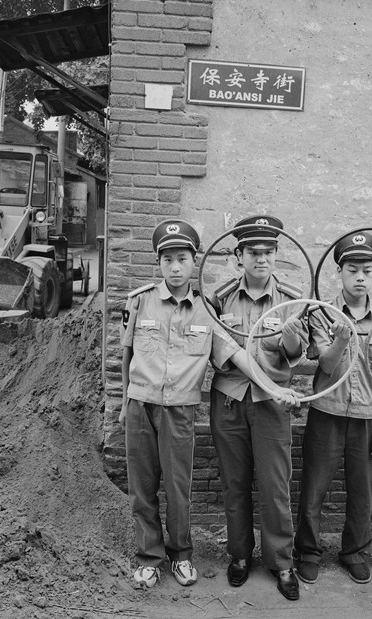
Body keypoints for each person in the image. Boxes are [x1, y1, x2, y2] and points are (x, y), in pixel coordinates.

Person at [118, 218, 302, 592]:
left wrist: (275, 388)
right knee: (142, 489)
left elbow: (237, 356)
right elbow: (125, 354)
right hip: (140, 405)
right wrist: (124, 402)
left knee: (178, 488)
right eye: (167, 259)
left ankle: (181, 555)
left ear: (194, 262)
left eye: (182, 258)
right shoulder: (139, 301)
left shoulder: (207, 309)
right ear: (158, 262)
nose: (174, 267)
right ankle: (149, 559)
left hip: (181, 409)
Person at [206, 215, 308, 601]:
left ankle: (282, 563)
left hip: (272, 406)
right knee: (234, 485)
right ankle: (238, 557)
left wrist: (291, 338)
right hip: (230, 400)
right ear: (239, 256)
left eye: (268, 252)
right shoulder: (218, 298)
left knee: (275, 486)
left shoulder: (293, 299)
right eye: (253, 252)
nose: (261, 259)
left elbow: (296, 355)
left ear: (277, 255)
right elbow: (220, 354)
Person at [293, 231, 372, 585]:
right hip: (327, 413)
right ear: (338, 271)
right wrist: (341, 338)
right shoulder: (322, 314)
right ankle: (308, 552)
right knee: (314, 488)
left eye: (367, 270)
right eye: (352, 269)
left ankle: (354, 551)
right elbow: (325, 365)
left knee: (362, 491)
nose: (360, 277)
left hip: (367, 418)